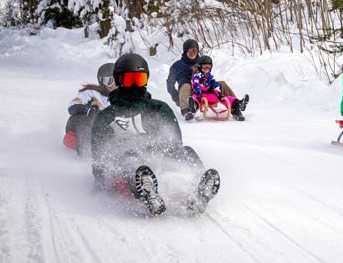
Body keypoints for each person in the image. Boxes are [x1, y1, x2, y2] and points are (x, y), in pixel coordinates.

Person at [91, 53, 220, 216]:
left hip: (159, 156)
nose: (134, 86)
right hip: (125, 164)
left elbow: (175, 143)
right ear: (119, 81)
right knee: (129, 160)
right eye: (129, 80)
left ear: (146, 81)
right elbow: (99, 156)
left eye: (139, 80)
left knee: (186, 151)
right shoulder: (107, 116)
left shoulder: (159, 108)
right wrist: (103, 179)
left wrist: (171, 151)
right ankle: (147, 194)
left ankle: (199, 188)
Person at [166, 39, 241, 121]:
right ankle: (186, 111)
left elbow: (208, 74)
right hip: (188, 92)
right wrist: (176, 98)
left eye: (195, 50)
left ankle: (236, 107)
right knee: (185, 85)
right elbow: (170, 83)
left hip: (203, 88)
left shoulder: (202, 61)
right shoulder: (177, 65)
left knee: (222, 83)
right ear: (185, 51)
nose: (193, 52)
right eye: (191, 50)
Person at [64, 62, 116, 156]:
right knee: (87, 120)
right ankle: (86, 156)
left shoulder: (121, 97)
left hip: (107, 134)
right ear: (101, 81)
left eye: (117, 80)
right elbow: (72, 106)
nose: (114, 84)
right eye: (109, 81)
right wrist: (88, 110)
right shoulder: (91, 93)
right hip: (83, 128)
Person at [188, 55, 249, 121]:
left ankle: (239, 104)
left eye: (209, 67)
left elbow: (215, 85)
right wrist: (198, 92)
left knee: (225, 98)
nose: (206, 69)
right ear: (200, 67)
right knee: (195, 98)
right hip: (200, 95)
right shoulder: (196, 76)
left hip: (210, 95)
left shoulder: (210, 77)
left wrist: (218, 94)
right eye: (204, 67)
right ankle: (193, 105)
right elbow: (195, 84)